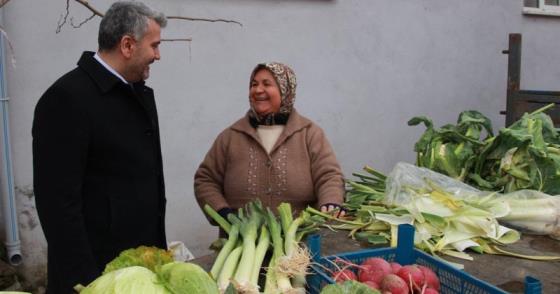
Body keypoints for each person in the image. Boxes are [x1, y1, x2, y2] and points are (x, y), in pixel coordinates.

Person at [32, 2, 167, 293]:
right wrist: (88, 283)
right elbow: (57, 205)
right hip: (95, 276)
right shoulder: (66, 99)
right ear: (127, 45)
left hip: (138, 271)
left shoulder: (134, 93)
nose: (158, 55)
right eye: (154, 46)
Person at [194, 62, 345, 225]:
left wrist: (331, 202)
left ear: (285, 90)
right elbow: (205, 180)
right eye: (254, 84)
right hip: (242, 243)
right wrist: (223, 213)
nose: (258, 90)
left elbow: (329, 176)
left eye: (267, 84)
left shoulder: (309, 133)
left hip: (301, 241)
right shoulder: (231, 136)